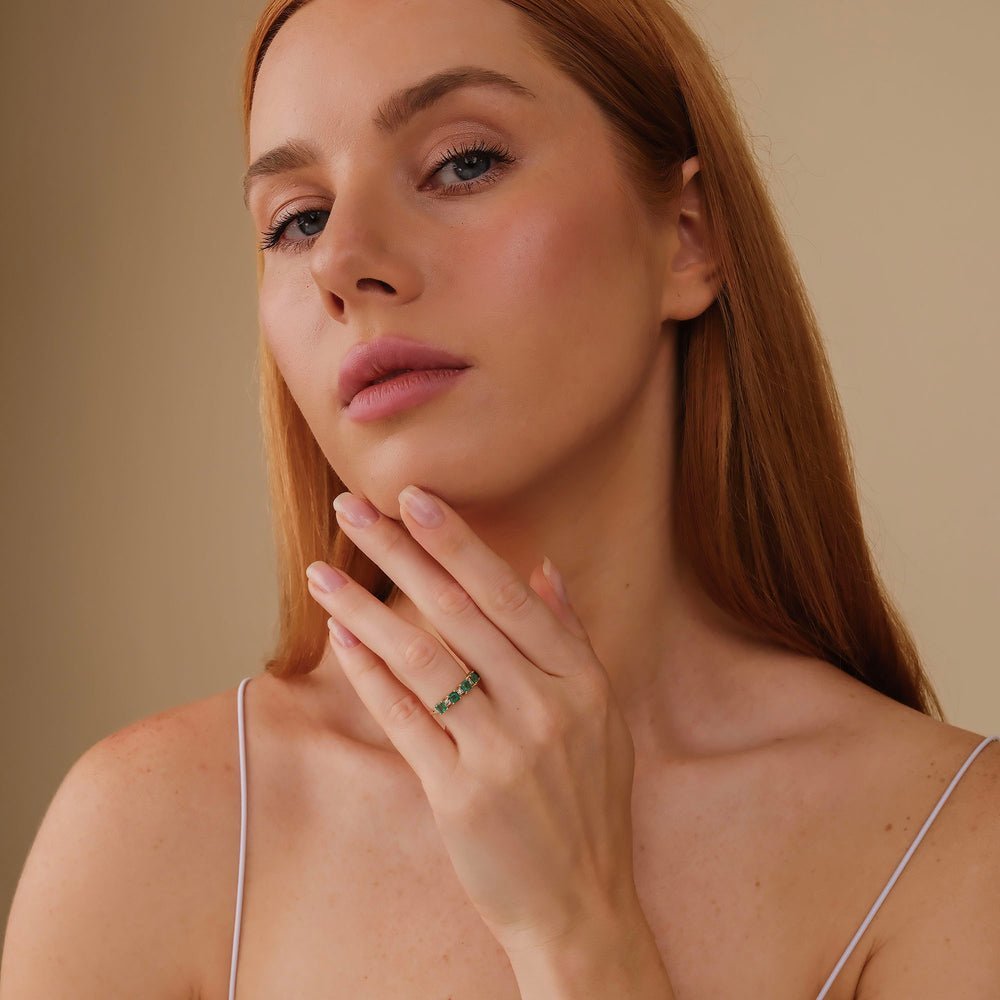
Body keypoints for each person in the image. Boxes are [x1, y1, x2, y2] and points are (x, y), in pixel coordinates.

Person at [2, 0, 997, 997]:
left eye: (462, 163)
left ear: (686, 239)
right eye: (298, 220)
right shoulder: (153, 832)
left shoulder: (950, 844)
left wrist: (577, 934)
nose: (342, 261)